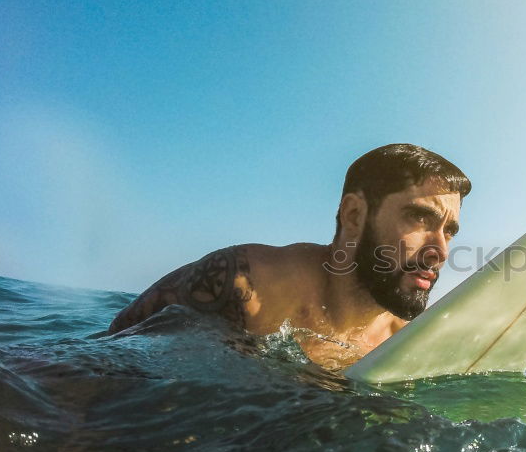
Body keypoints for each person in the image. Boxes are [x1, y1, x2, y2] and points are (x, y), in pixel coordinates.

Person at [107, 144, 470, 367]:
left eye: (450, 231)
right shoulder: (247, 283)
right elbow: (104, 357)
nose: (440, 250)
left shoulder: (405, 343)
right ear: (355, 215)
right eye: (420, 218)